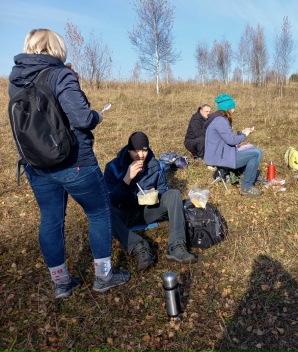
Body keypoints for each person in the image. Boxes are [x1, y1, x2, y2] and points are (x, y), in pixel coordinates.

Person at [8, 29, 130, 298]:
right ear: (56, 48)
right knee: (99, 212)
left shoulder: (15, 80)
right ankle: (103, 276)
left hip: (35, 163)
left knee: (51, 220)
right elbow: (82, 118)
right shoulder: (60, 74)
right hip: (74, 162)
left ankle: (62, 284)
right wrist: (97, 115)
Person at [104, 131, 197, 270]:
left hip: (148, 210)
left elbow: (164, 189)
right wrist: (127, 179)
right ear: (129, 150)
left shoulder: (155, 165)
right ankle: (139, 246)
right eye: (136, 151)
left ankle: (176, 246)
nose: (140, 155)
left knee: (174, 194)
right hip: (125, 214)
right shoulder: (113, 167)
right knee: (104, 212)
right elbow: (111, 199)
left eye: (144, 151)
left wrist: (157, 195)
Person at [204, 94, 263, 196]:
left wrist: (241, 133)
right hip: (220, 158)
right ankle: (247, 187)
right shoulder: (221, 121)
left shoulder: (218, 119)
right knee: (256, 153)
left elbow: (228, 138)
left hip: (221, 154)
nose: (234, 109)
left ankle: (246, 176)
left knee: (254, 150)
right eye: (233, 107)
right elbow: (232, 141)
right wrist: (245, 134)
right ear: (229, 108)